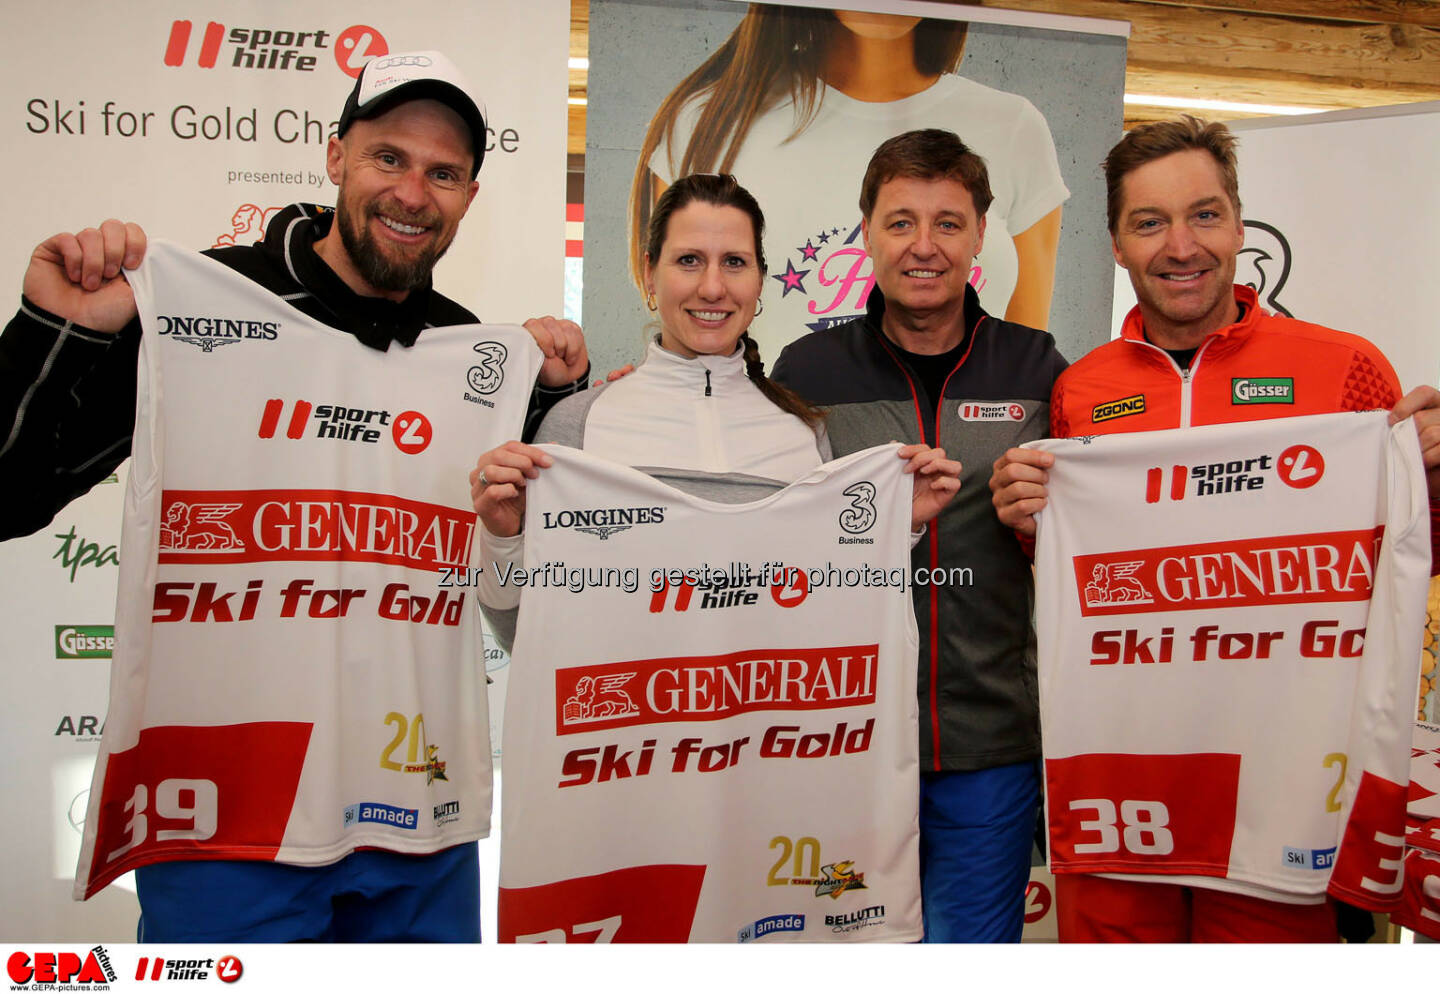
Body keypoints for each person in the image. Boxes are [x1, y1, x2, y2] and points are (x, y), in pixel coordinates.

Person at [0, 50, 588, 942]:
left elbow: (527, 559)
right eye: (388, 157)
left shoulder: (469, 349)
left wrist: (546, 401)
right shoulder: (203, 304)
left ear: (469, 196)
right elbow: (6, 493)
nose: (413, 192)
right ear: (335, 157)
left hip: (418, 820)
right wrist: (57, 333)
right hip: (227, 821)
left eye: (444, 173)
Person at [989, 114, 1440, 942]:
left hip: (1291, 784)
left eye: (1202, 215)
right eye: (1149, 223)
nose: (1181, 245)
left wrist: (1432, 479)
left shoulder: (1346, 367)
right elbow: (1074, 571)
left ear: (1239, 222)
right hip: (1122, 779)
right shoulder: (1082, 389)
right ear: (1118, 247)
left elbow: (1410, 554)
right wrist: (1028, 520)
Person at [770, 129, 1070, 943]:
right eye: (901, 222)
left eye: (948, 222)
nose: (924, 246)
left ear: (980, 236)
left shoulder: (1039, 368)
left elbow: (1098, 523)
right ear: (865, 231)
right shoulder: (804, 373)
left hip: (990, 745)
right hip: (843, 742)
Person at [473, 172, 961, 651]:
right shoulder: (576, 425)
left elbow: (831, 604)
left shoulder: (804, 430)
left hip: (765, 728)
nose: (712, 287)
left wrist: (896, 528)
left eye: (734, 262)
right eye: (688, 260)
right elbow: (520, 634)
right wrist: (504, 536)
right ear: (649, 273)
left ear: (760, 280)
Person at [630, 5, 1068, 358]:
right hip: (769, 459)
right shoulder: (706, 123)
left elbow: (1025, 368)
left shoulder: (1013, 128)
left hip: (961, 463)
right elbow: (678, 342)